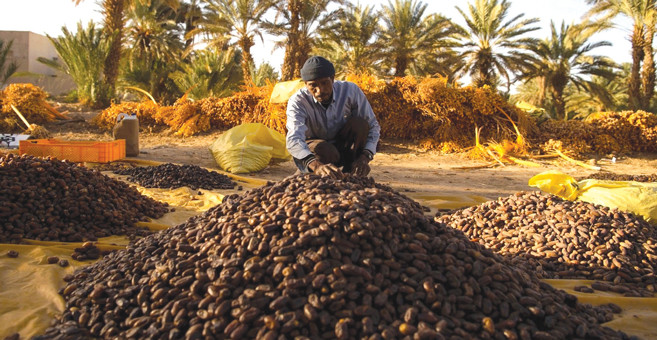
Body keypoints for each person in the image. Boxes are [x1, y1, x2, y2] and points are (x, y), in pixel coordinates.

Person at [286, 56, 381, 179]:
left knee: (360, 124)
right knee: (325, 150)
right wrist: (315, 165)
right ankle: (309, 175)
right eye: (313, 85)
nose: (320, 90)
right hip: (318, 152)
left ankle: (350, 174)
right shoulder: (298, 101)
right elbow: (294, 138)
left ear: (332, 78)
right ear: (305, 84)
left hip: (344, 148)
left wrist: (365, 157)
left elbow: (373, 126)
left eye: (325, 83)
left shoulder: (350, 91)